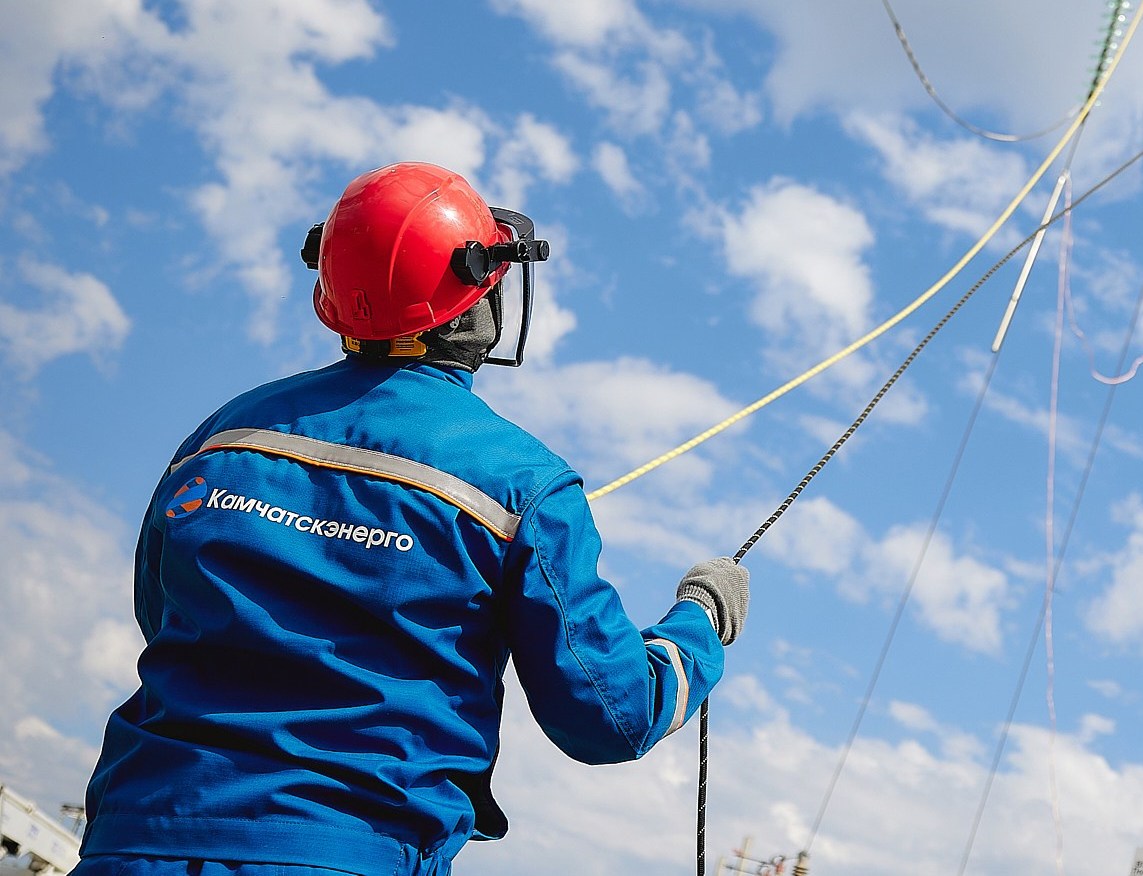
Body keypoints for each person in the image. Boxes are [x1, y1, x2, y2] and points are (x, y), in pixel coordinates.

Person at [73, 161, 748, 876]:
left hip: (134, 841)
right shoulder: (523, 483)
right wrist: (701, 618)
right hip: (344, 855)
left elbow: (164, 613)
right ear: (476, 299)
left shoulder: (223, 436)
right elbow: (613, 717)